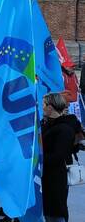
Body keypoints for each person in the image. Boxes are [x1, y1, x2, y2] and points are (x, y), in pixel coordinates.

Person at [42, 92, 79, 222]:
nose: (42, 108)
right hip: (47, 175)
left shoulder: (63, 129)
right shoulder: (48, 123)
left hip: (56, 176)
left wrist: (37, 158)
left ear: (50, 108)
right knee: (49, 210)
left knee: (55, 211)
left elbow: (57, 156)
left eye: (44, 105)